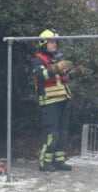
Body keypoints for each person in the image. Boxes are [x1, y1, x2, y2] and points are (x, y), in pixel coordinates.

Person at [30, 29, 74, 172]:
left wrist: (72, 73)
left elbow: (63, 79)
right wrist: (56, 68)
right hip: (49, 101)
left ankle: (59, 160)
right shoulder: (38, 59)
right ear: (44, 43)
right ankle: (45, 161)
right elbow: (41, 76)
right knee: (51, 132)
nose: (55, 44)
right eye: (51, 42)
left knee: (63, 132)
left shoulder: (57, 58)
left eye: (55, 42)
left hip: (63, 99)